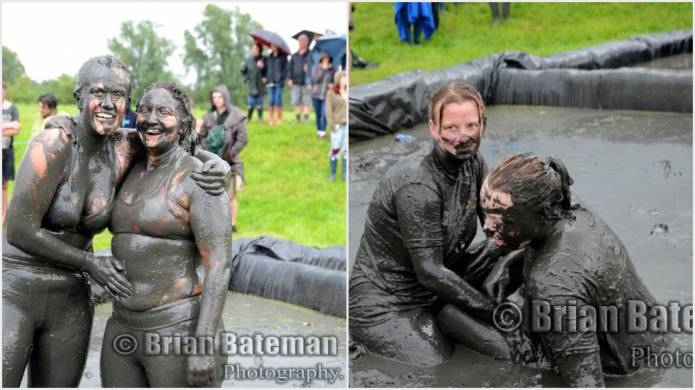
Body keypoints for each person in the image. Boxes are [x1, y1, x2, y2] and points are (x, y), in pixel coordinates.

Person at [2, 55, 229, 387]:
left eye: (119, 94)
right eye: (98, 92)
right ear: (79, 96)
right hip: (16, 287)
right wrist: (90, 262)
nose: (108, 103)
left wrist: (217, 163)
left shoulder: (124, 148)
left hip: (72, 297)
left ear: (126, 103)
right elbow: (19, 229)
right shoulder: (53, 143)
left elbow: (178, 143)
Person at [442, 153, 668, 387]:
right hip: (652, 340)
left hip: (621, 368)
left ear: (542, 213)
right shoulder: (573, 210)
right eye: (485, 214)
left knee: (446, 315)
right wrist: (513, 258)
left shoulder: (552, 285)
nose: (487, 228)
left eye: (501, 222)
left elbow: (588, 384)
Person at [349, 82, 505, 366]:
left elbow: (496, 231)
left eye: (471, 126)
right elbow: (430, 271)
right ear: (433, 129)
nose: (462, 137)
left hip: (436, 285)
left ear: (483, 124)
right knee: (435, 362)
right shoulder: (417, 185)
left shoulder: (474, 164)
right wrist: (492, 310)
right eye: (451, 128)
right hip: (386, 302)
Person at [101, 82, 232, 387]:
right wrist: (59, 125)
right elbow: (87, 139)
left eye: (164, 112)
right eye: (144, 110)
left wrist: (203, 344)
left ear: (184, 123)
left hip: (176, 328)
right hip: (121, 326)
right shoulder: (128, 164)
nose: (151, 118)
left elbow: (219, 265)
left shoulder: (200, 179)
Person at [199, 85, 248, 233]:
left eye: (219, 97)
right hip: (212, 161)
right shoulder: (209, 116)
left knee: (230, 194)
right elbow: (201, 136)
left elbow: (243, 138)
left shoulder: (235, 115)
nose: (217, 100)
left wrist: (231, 153)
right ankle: (214, 223)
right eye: (214, 97)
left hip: (231, 161)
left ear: (225, 97)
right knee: (210, 194)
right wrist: (206, 149)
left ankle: (232, 224)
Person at [2, 82, 20, 223]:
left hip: (6, 151)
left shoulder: (12, 108)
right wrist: (8, 126)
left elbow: (16, 129)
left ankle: (2, 218)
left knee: (4, 186)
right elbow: (11, 127)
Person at [325, 70, 347, 181]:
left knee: (345, 150)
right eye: (343, 78)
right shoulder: (331, 93)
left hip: (347, 125)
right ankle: (332, 174)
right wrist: (333, 126)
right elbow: (329, 111)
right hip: (338, 125)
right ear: (338, 79)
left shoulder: (348, 91)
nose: (346, 79)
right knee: (335, 148)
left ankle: (345, 173)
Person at [288, 33, 313, 124]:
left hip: (307, 81)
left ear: (307, 42)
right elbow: (290, 68)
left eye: (303, 41)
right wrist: (290, 79)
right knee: (296, 100)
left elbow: (315, 66)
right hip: (296, 81)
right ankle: (298, 118)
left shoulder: (311, 54)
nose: (302, 43)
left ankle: (306, 118)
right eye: (300, 41)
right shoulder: (294, 56)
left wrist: (309, 68)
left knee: (307, 100)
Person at [311, 52, 335, 139]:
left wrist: (332, 84)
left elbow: (334, 80)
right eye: (324, 58)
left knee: (324, 114)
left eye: (327, 59)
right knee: (318, 114)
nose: (326, 60)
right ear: (321, 59)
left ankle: (323, 132)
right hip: (316, 95)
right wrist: (323, 70)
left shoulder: (332, 69)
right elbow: (315, 79)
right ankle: (318, 130)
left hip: (326, 95)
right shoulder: (316, 68)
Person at [242, 42, 266, 123]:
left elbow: (267, 71)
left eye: (256, 49)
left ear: (260, 50)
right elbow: (243, 71)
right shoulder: (248, 60)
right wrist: (246, 79)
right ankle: (249, 118)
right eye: (253, 49)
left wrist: (263, 68)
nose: (254, 50)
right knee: (250, 103)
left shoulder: (264, 59)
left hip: (260, 84)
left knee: (260, 103)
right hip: (251, 84)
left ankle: (260, 118)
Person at [265, 44, 288, 126]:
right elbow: (266, 69)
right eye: (271, 46)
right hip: (270, 82)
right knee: (271, 100)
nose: (273, 47)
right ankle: (271, 119)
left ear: (277, 47)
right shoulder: (269, 57)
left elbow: (285, 70)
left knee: (278, 99)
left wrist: (283, 80)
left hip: (279, 82)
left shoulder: (282, 57)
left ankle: (279, 119)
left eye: (274, 46)